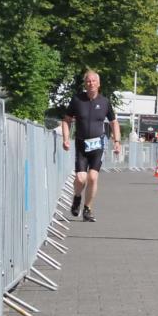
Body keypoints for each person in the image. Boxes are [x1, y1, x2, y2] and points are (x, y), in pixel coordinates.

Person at [61, 70, 120, 222]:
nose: (91, 83)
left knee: (93, 177)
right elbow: (66, 120)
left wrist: (117, 142)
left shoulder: (105, 102)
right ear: (85, 83)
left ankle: (87, 208)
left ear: (98, 84)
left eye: (94, 81)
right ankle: (77, 197)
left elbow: (113, 122)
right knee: (81, 178)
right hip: (81, 144)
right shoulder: (77, 100)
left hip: (97, 145)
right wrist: (66, 138)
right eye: (88, 81)